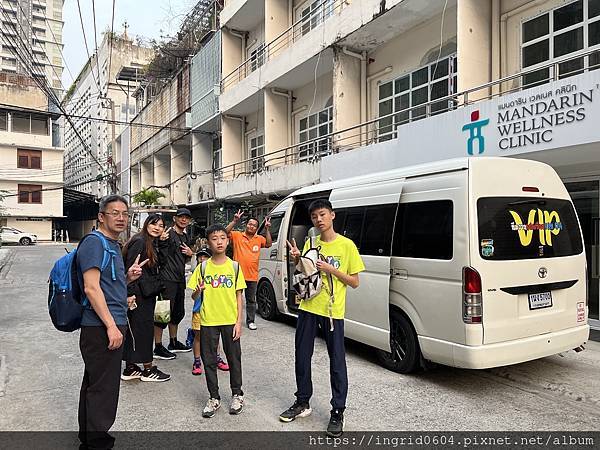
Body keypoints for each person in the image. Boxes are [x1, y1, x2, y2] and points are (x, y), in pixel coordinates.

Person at [279, 199, 365, 438]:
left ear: (332, 215)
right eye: (315, 216)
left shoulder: (347, 246)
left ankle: (338, 410)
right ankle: (302, 401)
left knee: (336, 361)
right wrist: (297, 257)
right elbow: (305, 271)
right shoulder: (311, 241)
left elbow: (355, 282)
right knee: (301, 355)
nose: (319, 219)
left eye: (323, 214)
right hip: (308, 306)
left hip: (332, 311)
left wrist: (332, 269)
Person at [77, 194, 147, 449]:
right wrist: (111, 326)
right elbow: (91, 288)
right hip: (100, 328)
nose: (120, 218)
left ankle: (89, 438)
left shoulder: (113, 245)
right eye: (114, 213)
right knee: (104, 389)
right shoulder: (95, 243)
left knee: (95, 383)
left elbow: (106, 286)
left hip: (107, 324)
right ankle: (97, 443)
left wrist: (127, 279)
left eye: (124, 214)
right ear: (101, 216)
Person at [188, 224, 246, 418]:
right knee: (209, 360)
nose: (219, 241)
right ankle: (214, 398)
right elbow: (194, 297)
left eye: (222, 237)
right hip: (208, 321)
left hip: (230, 320)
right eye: (214, 238)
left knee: (233, 359)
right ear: (208, 242)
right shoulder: (202, 267)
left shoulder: (235, 266)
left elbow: (239, 296)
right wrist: (199, 290)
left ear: (227, 241)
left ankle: (237, 394)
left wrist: (239, 322)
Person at [121, 214, 170, 383]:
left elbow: (161, 264)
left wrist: (163, 243)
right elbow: (130, 268)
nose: (157, 227)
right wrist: (129, 293)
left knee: (135, 330)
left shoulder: (150, 241)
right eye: (154, 224)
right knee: (143, 331)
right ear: (146, 224)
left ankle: (130, 368)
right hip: (138, 294)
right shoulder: (140, 241)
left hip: (146, 293)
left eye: (161, 225)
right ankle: (148, 369)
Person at [154, 208, 194, 360]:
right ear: (175, 218)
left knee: (177, 312)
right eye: (181, 217)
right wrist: (161, 239)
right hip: (166, 280)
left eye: (187, 218)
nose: (184, 220)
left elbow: (184, 258)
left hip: (179, 279)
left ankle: (173, 341)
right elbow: (158, 251)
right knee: (162, 313)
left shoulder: (184, 236)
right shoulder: (168, 234)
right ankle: (157, 346)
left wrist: (191, 254)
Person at [187, 245, 230, 376]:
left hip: (215, 311)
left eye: (206, 256)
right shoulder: (198, 272)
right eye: (201, 256)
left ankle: (217, 358)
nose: (203, 259)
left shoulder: (218, 271)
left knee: (215, 338)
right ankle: (197, 361)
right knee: (198, 337)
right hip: (199, 311)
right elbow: (193, 297)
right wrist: (198, 291)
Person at [225, 210, 272, 330]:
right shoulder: (237, 235)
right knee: (235, 299)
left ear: (256, 228)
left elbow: (269, 244)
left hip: (252, 275)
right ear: (246, 225)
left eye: (254, 225)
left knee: (251, 300)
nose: (251, 226)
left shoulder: (259, 238)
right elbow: (225, 233)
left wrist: (267, 229)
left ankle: (250, 321)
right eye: (250, 224)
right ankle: (233, 320)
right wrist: (235, 221)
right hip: (237, 274)